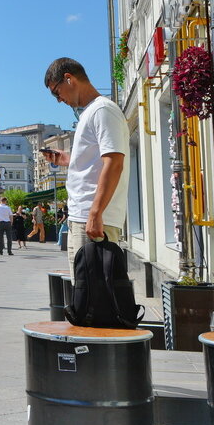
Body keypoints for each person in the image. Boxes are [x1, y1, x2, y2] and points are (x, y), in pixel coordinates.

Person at [43, 57, 129, 271]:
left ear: (69, 79)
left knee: (94, 295)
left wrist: (95, 213)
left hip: (92, 218)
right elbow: (99, 161)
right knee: (83, 293)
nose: (58, 99)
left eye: (56, 91)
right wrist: (68, 160)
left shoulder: (103, 110)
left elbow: (114, 162)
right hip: (82, 217)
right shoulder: (90, 113)